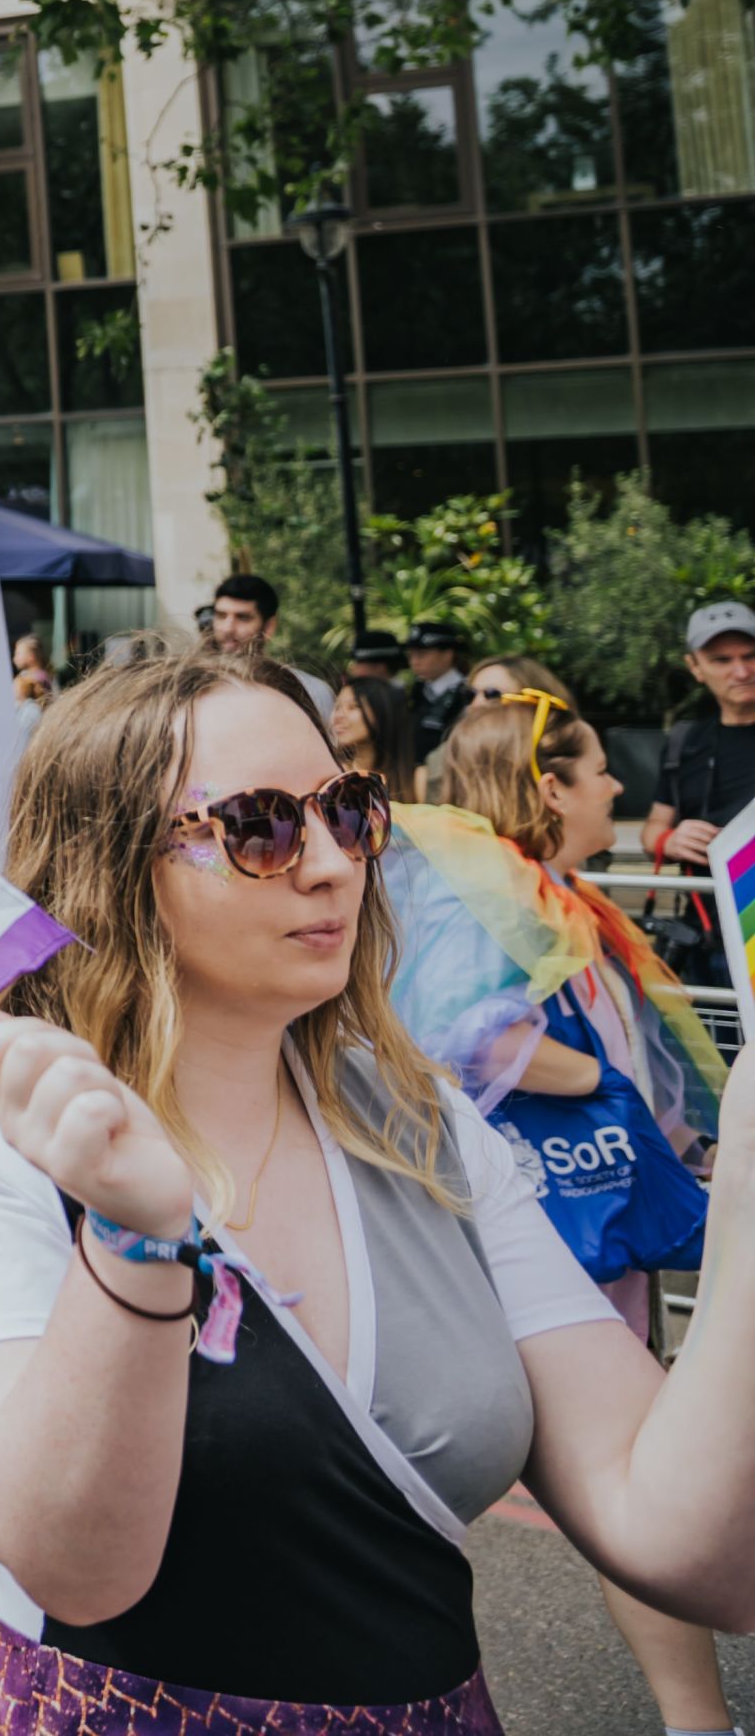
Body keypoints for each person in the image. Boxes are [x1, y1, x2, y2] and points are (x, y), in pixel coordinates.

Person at [0, 649, 755, 1730]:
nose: (336, 862)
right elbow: (72, 1572)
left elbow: (701, 1558)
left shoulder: (423, 1121)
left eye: (347, 808)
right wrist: (132, 1240)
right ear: (110, 863)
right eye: (260, 826)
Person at [407, 690, 733, 1733]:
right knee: (631, 1477)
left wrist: (682, 1144)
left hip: (598, 1228)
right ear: (547, 786)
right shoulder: (484, 895)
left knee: (643, 1476)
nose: (617, 788)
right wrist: (611, 1094)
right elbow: (470, 1038)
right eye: (597, 771)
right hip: (549, 1240)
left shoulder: (553, 895)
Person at [644, 598, 755, 866]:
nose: (741, 672)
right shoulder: (684, 743)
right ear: (695, 667)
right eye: (722, 660)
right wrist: (668, 840)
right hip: (704, 905)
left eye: (751, 656)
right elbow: (654, 827)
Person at [203, 573, 333, 721]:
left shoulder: (311, 690)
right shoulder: (195, 687)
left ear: (269, 626)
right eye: (221, 616)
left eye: (243, 617)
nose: (228, 628)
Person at [326, 669, 414, 790]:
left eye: (353, 707)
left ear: (381, 712)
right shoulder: (332, 776)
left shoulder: (415, 780)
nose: (338, 716)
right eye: (337, 707)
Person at [400, 620, 472, 763]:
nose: (414, 662)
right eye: (411, 655)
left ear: (447, 655)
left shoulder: (469, 693)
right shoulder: (416, 691)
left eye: (422, 654)